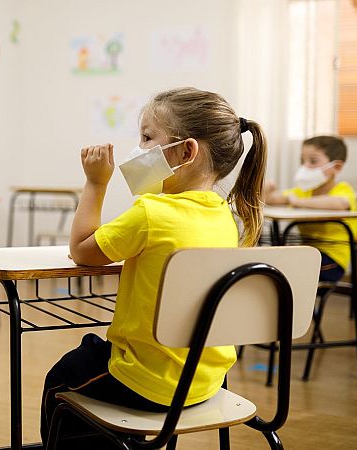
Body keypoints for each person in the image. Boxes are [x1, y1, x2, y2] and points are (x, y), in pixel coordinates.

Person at [41, 87, 266, 447]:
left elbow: (82, 251)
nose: (139, 148)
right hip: (208, 379)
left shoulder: (151, 212)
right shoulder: (225, 218)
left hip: (149, 384)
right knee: (92, 356)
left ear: (186, 151)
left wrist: (96, 183)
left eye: (147, 137)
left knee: (65, 374)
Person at [264, 135, 357, 282]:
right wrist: (267, 190)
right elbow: (273, 200)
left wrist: (298, 202)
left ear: (336, 167)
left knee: (287, 272)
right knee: (275, 266)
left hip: (332, 259)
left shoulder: (342, 189)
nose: (305, 166)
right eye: (303, 161)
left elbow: (340, 203)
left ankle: (303, 305)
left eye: (313, 161)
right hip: (307, 254)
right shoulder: (303, 192)